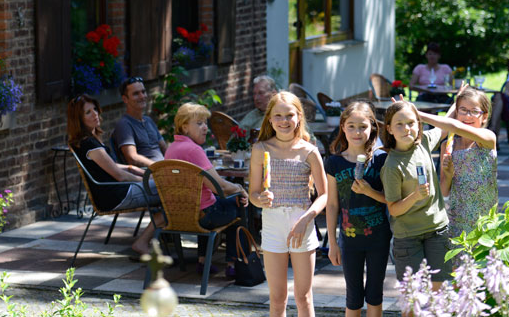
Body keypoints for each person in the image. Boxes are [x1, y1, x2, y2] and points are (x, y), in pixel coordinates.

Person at [249, 92, 327, 317]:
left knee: (303, 297)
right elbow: (253, 193)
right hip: (273, 224)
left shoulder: (309, 151)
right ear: (270, 120)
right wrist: (259, 199)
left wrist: (306, 219)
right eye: (278, 116)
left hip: (302, 223)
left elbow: (324, 195)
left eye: (289, 115)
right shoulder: (260, 149)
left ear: (298, 117)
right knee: (277, 299)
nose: (284, 121)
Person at [66, 94, 163, 257]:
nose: (95, 114)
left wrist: (134, 169)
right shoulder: (89, 144)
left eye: (95, 109)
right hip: (115, 195)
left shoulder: (88, 140)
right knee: (173, 190)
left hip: (115, 192)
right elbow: (120, 176)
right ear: (79, 119)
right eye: (88, 112)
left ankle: (161, 238)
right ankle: (143, 242)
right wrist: (145, 180)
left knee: (170, 190)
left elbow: (114, 167)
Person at [164, 102, 249, 278]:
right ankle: (234, 264)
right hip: (203, 216)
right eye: (199, 123)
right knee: (237, 205)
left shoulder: (172, 148)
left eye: (205, 123)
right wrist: (240, 189)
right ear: (184, 127)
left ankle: (203, 262)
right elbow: (220, 187)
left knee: (207, 202)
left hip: (177, 214)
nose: (205, 128)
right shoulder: (194, 150)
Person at [324, 101, 390, 317]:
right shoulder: (334, 163)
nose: (357, 132)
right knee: (353, 297)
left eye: (362, 126)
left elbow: (390, 200)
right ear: (342, 127)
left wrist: (370, 192)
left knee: (374, 294)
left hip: (378, 237)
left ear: (372, 127)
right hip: (349, 239)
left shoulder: (381, 160)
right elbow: (332, 204)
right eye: (351, 126)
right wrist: (332, 243)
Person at [381, 100, 451, 296]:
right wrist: (415, 196)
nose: (406, 129)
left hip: (437, 231)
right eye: (399, 124)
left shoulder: (425, 142)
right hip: (408, 238)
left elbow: (446, 123)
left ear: (419, 124)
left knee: (440, 296)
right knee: (413, 300)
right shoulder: (392, 166)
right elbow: (393, 209)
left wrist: (457, 101)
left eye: (411, 123)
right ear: (389, 129)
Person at [418, 87, 497, 239]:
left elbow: (455, 126)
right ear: (456, 114)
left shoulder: (487, 139)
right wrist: (447, 174)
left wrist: (418, 114)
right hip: (458, 220)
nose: (468, 116)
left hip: (485, 219)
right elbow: (444, 191)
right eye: (463, 110)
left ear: (484, 116)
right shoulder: (448, 147)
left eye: (474, 111)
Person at [111, 77, 167, 167]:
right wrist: (158, 167)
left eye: (143, 92)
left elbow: (164, 148)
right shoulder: (124, 125)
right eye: (136, 94)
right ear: (125, 99)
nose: (142, 96)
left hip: (165, 170)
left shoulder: (149, 121)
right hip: (148, 174)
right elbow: (132, 158)